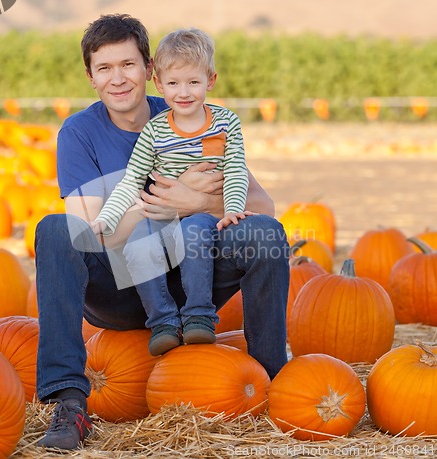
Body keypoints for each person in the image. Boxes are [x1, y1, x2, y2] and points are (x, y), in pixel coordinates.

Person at [35, 13, 290, 451]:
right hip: (121, 288)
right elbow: (90, 231)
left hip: (193, 282)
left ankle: (272, 383)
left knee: (263, 233)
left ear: (149, 69)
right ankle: (70, 401)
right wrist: (164, 203)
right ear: (91, 77)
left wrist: (198, 203)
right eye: (105, 68)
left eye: (128, 65)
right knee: (55, 230)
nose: (118, 78)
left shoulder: (188, 114)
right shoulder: (79, 133)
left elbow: (263, 206)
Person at [91, 27, 253, 357]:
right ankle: (163, 321)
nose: (184, 92)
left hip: (199, 215)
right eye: (174, 83)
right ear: (160, 84)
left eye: (193, 82)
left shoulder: (225, 123)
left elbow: (236, 169)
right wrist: (106, 217)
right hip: (162, 215)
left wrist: (232, 206)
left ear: (210, 81)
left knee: (194, 235)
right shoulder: (155, 130)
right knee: (138, 246)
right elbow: (133, 180)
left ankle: (198, 316)